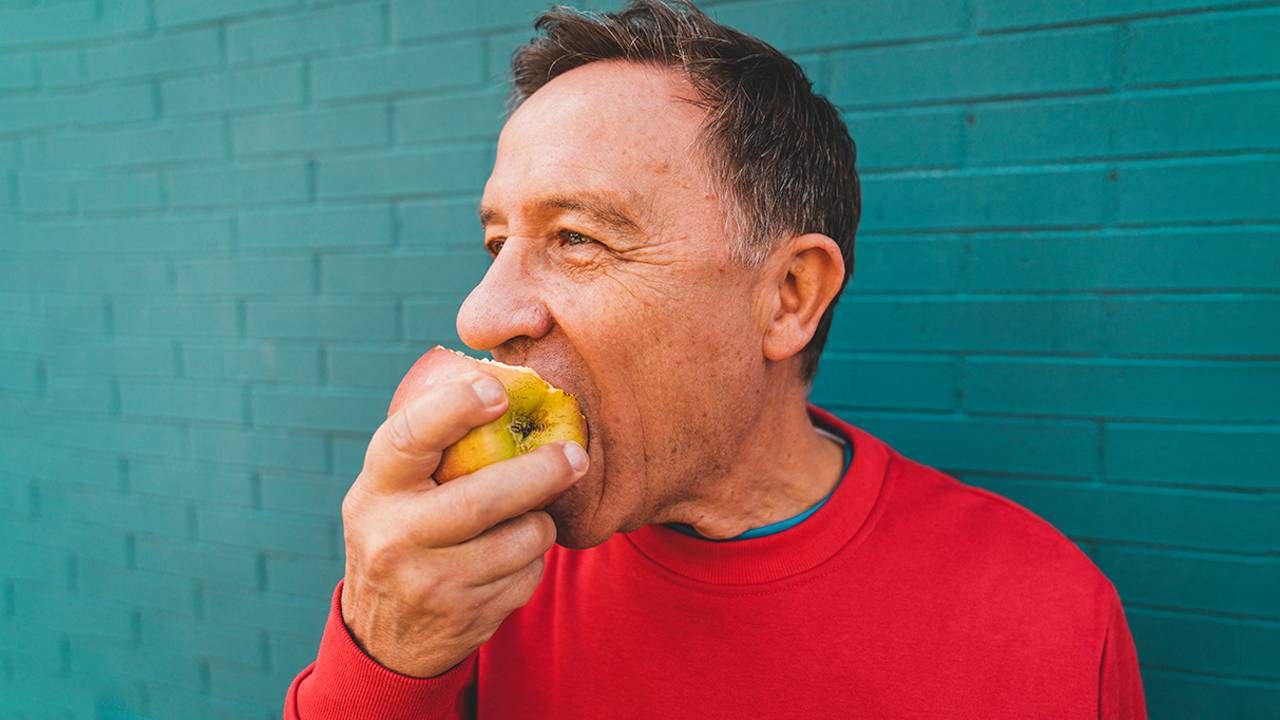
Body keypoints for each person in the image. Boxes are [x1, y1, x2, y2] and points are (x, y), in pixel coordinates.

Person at [284, 1, 1147, 717]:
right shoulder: (470, 573)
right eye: (497, 240)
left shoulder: (1047, 614)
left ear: (789, 297)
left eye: (578, 238)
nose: (481, 311)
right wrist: (382, 651)